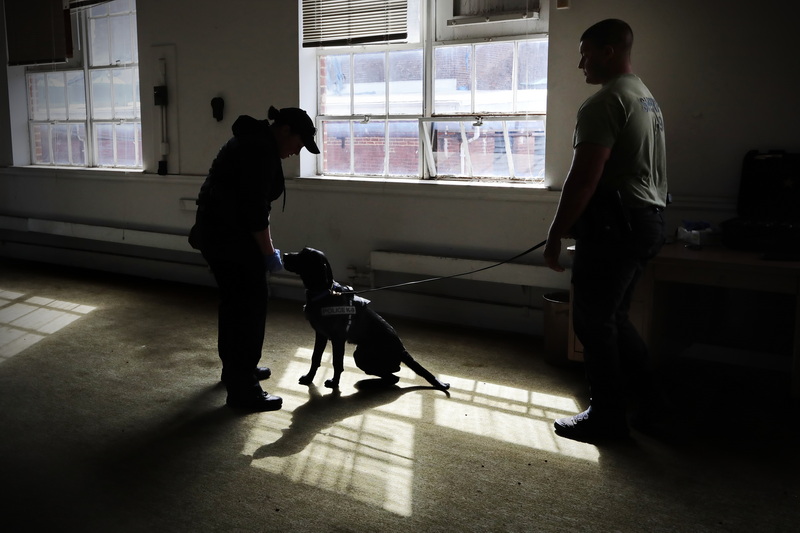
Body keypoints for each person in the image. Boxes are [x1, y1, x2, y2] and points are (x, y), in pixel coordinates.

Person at [544, 19, 668, 441]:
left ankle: (608, 418)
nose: (581, 63)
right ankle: (650, 406)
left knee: (593, 322)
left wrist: (556, 232)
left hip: (617, 227)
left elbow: (583, 179)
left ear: (608, 51)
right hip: (646, 222)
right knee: (613, 318)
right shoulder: (645, 97)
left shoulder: (604, 102)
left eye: (586, 53)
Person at [189, 106, 320, 411]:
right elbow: (254, 212)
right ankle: (243, 389)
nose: (297, 152)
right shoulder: (259, 150)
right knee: (248, 309)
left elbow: (251, 204)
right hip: (229, 238)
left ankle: (235, 371)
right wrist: (268, 254)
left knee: (235, 305)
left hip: (218, 233)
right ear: (285, 130)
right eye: (299, 144)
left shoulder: (253, 142)